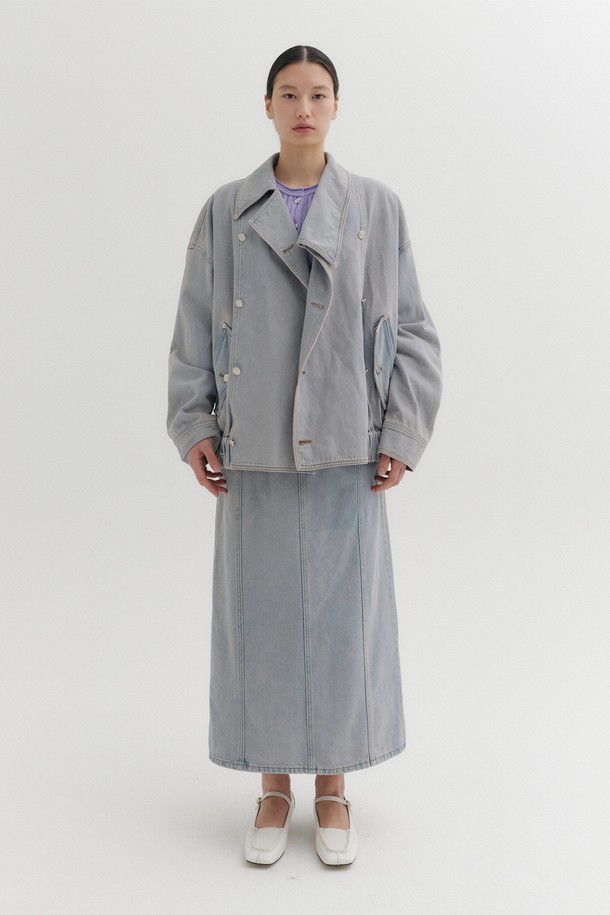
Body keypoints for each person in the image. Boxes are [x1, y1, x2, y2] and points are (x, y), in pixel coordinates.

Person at [167, 45, 442, 866]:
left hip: (346, 441)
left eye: (319, 94)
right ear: (267, 106)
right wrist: (194, 422)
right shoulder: (225, 210)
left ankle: (333, 786)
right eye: (289, 94)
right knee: (258, 625)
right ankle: (271, 786)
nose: (304, 109)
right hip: (251, 444)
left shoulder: (376, 208)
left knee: (341, 622)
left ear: (336, 106)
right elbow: (193, 324)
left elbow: (414, 329)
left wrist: (400, 433)